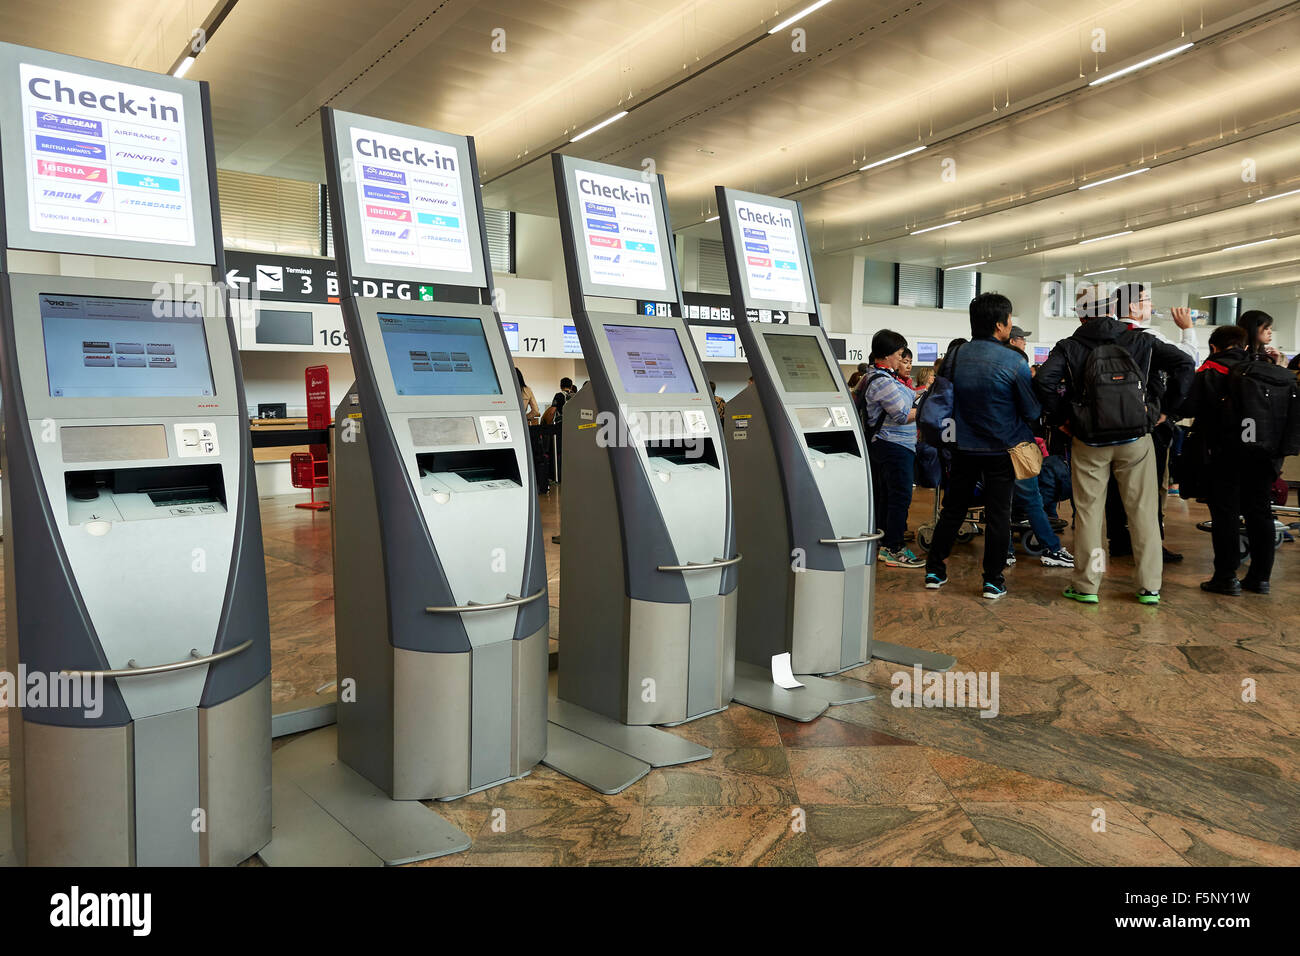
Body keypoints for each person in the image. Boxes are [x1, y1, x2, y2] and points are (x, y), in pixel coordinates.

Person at [1035, 291, 1195, 605]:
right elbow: (1185, 364)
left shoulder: (1069, 346)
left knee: (1090, 514)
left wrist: (1061, 420)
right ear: (1111, 310)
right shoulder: (1142, 341)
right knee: (1143, 513)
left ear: (1080, 316)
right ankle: (1150, 586)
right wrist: (1167, 412)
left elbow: (1044, 382)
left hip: (1089, 440)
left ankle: (1088, 584)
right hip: (1136, 439)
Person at [923, 294, 1041, 599]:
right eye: (1010, 319)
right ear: (1001, 325)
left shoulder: (956, 355)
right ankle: (992, 580)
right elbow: (1031, 411)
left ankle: (935, 570)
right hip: (1001, 451)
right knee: (999, 515)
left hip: (961, 447)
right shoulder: (1014, 361)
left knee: (953, 509)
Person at [1106, 283, 1196, 563]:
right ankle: (1151, 543)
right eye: (1146, 300)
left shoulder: (1104, 336)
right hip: (1147, 424)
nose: (1151, 304)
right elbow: (1188, 361)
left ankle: (1119, 540)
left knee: (1113, 484)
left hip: (1107, 422)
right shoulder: (1148, 336)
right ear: (1132, 306)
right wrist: (1168, 410)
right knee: (1150, 485)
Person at [1184, 325, 1278, 595]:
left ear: (1214, 347)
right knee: (1259, 512)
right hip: (1263, 452)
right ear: (1245, 346)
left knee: (1225, 514)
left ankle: (1225, 577)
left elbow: (1189, 406)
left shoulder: (1211, 369)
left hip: (1224, 452)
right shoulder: (1265, 369)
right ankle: (1260, 578)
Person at [858, 330, 925, 569]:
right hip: (893, 446)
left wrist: (923, 393)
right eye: (899, 355)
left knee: (889, 496)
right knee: (899, 497)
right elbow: (901, 415)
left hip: (891, 446)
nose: (902, 359)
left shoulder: (880, 377)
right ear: (886, 355)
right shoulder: (882, 381)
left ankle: (886, 540)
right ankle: (893, 548)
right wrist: (928, 409)